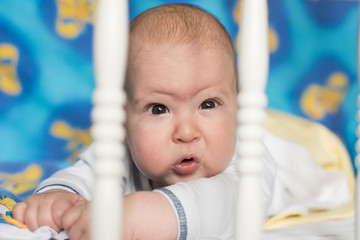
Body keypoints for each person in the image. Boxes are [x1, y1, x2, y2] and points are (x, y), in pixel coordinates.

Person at [12, 4, 278, 240]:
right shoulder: (121, 153)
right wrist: (59, 196)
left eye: (208, 104)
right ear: (121, 124)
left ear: (239, 112)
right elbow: (87, 173)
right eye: (159, 109)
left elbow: (227, 203)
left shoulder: (250, 158)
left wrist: (142, 213)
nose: (186, 132)